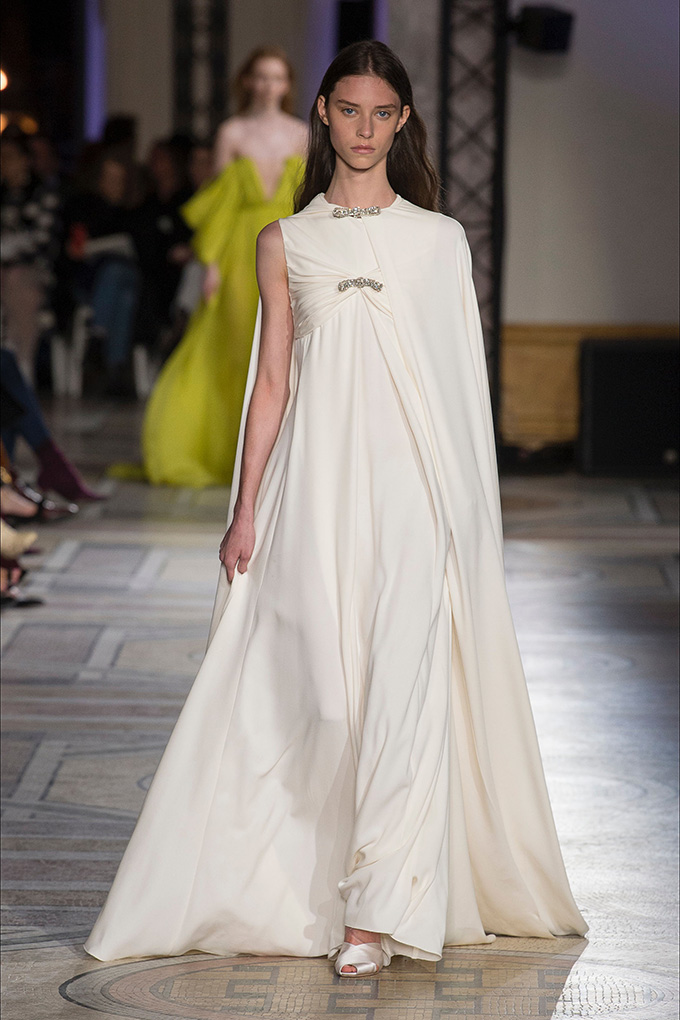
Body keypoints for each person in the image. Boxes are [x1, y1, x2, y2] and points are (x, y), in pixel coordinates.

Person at [85, 41, 586, 975]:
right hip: (315, 489)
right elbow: (271, 383)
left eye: (381, 113)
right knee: (322, 695)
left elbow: (460, 389)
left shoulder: (440, 241)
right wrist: (245, 511)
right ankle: (314, 881)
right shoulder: (285, 241)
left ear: (403, 122)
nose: (364, 128)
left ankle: (375, 915)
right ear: (322, 113)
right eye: (349, 110)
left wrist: (467, 517)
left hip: (415, 491)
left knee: (404, 687)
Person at [141, 46, 307, 486]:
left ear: (287, 85)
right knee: (237, 344)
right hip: (240, 251)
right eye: (261, 76)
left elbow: (309, 202)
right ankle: (230, 453)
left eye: (277, 77)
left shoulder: (302, 134)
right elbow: (219, 204)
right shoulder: (232, 132)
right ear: (247, 81)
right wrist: (210, 265)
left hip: (287, 247)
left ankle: (274, 457)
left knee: (280, 347)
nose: (269, 85)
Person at [63, 153, 140, 395]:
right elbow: (74, 249)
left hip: (130, 278)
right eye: (109, 178)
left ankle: (97, 338)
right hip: (92, 282)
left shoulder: (135, 213)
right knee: (124, 296)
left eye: (118, 179)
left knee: (120, 274)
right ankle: (116, 370)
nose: (113, 185)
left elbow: (144, 254)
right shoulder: (84, 209)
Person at [0, 128, 61, 383]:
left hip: (35, 272)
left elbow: (44, 241)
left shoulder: (42, 193)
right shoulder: (3, 195)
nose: (4, 163)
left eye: (10, 157)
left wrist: (10, 248)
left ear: (25, 160)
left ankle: (23, 366)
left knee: (17, 280)